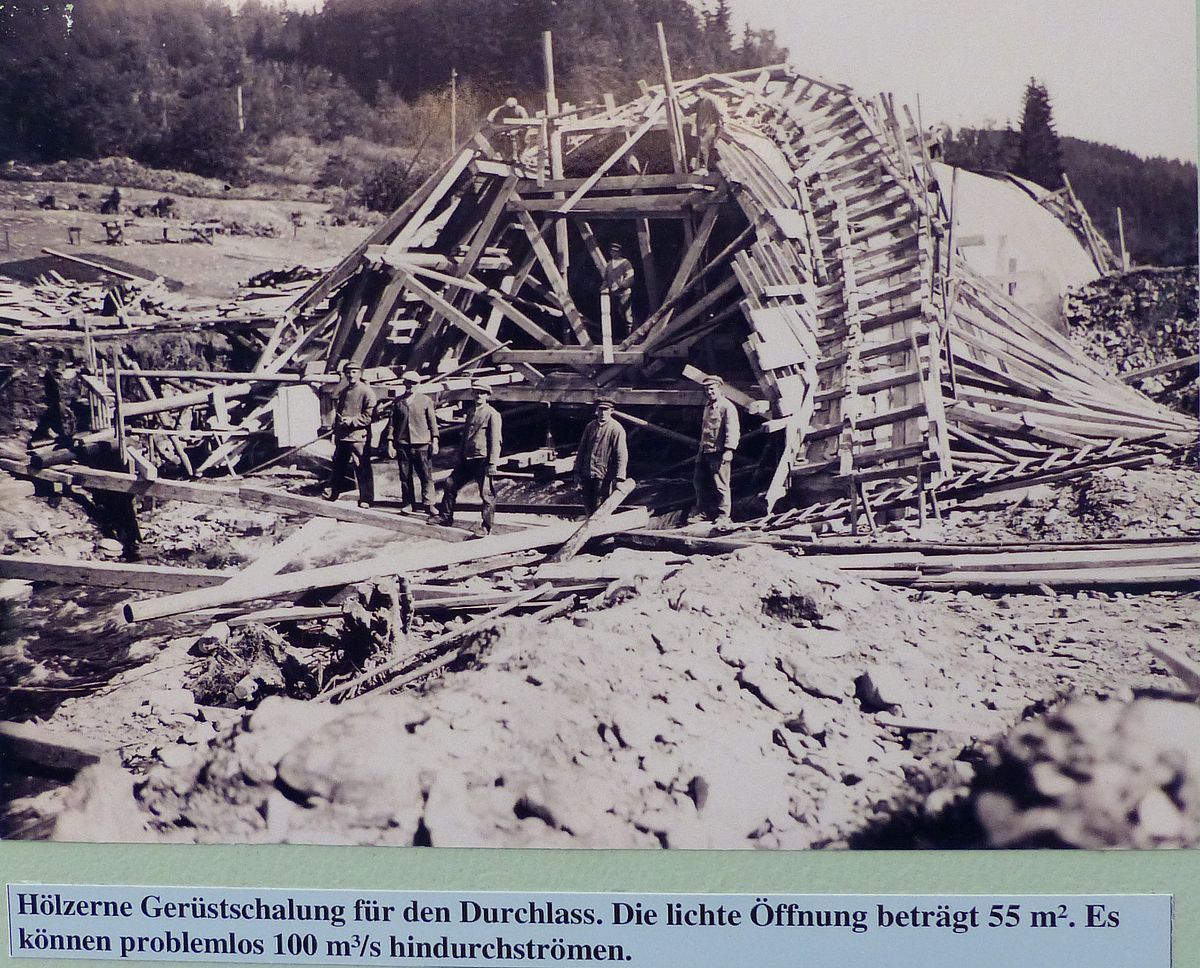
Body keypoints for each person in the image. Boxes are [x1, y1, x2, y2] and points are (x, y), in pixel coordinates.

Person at [435, 383, 502, 535]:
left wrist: (492, 463)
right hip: (467, 458)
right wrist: (459, 455)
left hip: (482, 459)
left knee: (486, 494)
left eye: (482, 393)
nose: (478, 395)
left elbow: (496, 440)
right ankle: (445, 517)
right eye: (476, 392)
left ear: (487, 395)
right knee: (450, 484)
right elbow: (465, 436)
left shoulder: (492, 414)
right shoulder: (471, 411)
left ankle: (486, 527)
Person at [325, 361, 376, 507]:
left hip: (358, 437)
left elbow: (369, 416)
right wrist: (335, 432)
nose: (351, 375)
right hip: (343, 436)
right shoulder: (345, 391)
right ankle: (334, 493)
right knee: (338, 465)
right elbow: (339, 414)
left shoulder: (367, 392)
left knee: (361, 466)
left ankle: (366, 498)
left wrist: (353, 421)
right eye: (348, 372)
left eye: (354, 372)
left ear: (359, 373)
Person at [693, 375, 739, 528]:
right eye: (706, 389)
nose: (709, 392)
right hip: (705, 450)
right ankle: (704, 512)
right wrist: (700, 451)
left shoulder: (727, 407)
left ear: (720, 389)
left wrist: (729, 450)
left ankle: (723, 515)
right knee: (700, 481)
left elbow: (732, 430)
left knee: (721, 484)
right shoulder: (708, 406)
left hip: (719, 451)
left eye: (712, 389)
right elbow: (704, 431)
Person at [390, 376, 439, 514]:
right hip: (403, 444)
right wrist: (390, 442)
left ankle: (429, 503)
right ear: (404, 383)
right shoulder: (398, 402)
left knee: (425, 475)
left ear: (419, 384)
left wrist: (435, 440)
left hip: (421, 443)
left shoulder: (425, 400)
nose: (410, 385)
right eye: (408, 382)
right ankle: (408, 503)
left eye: (414, 383)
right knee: (405, 475)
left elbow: (432, 422)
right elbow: (392, 424)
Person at [574, 398, 628, 516]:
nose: (602, 413)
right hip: (587, 473)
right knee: (588, 506)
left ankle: (600, 532)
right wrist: (577, 472)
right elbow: (581, 450)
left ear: (611, 411)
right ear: (596, 410)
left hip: (604, 476)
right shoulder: (590, 427)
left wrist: (619, 479)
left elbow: (621, 455)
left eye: (606, 410)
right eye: (600, 409)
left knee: (600, 507)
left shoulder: (616, 429)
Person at [601, 242, 636, 337]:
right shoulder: (609, 264)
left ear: (620, 253)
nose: (613, 253)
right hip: (614, 294)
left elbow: (630, 277)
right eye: (612, 252)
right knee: (616, 315)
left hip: (624, 293)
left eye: (615, 252)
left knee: (626, 314)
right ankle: (619, 337)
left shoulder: (625, 263)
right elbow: (606, 278)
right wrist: (603, 288)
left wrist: (621, 285)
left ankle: (630, 335)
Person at [487, 96, 529, 161]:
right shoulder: (501, 109)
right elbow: (490, 117)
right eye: (508, 108)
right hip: (505, 127)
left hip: (519, 128)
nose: (510, 110)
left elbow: (526, 121)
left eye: (512, 108)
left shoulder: (520, 110)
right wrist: (494, 125)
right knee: (499, 136)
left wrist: (518, 129)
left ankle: (519, 154)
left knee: (517, 136)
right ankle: (503, 155)